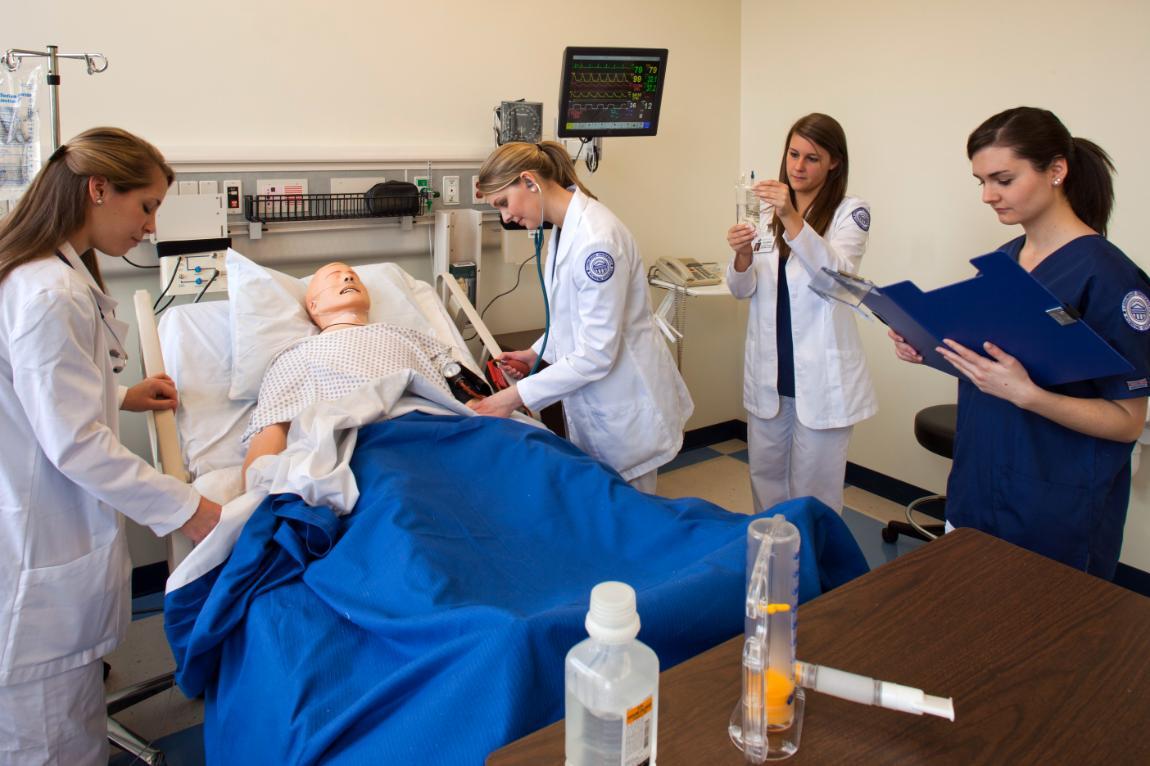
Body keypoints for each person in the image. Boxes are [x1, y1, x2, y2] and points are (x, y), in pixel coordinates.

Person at [0, 127, 221, 764]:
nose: (151, 226)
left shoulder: (42, 274)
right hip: (34, 555)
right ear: (98, 189)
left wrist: (120, 394)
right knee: (51, 740)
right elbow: (74, 444)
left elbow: (35, 388)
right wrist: (190, 508)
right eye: (146, 205)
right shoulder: (51, 292)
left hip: (33, 529)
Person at [889, 106, 1150, 579]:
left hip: (1054, 508)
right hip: (977, 487)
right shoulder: (1005, 261)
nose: (988, 195)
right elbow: (994, 366)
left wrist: (1029, 395)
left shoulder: (1109, 277)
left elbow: (1128, 423)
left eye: (1003, 180)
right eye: (981, 181)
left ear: (1056, 170)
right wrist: (928, 347)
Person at [470, 141, 693, 493]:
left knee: (629, 525)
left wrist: (515, 397)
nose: (505, 217)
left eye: (503, 203)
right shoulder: (563, 229)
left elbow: (596, 352)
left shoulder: (596, 242)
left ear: (529, 181)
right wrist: (536, 353)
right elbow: (571, 318)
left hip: (623, 408)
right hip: (600, 405)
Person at [725, 113, 877, 514]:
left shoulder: (851, 212)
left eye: (812, 158)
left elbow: (839, 280)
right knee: (766, 481)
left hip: (821, 376)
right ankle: (772, 563)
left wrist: (790, 216)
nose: (798, 166)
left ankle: (817, 571)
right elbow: (743, 290)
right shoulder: (762, 210)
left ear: (834, 162)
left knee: (815, 494)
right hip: (771, 373)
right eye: (793, 154)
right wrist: (741, 256)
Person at [241, 261, 462, 479]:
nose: (348, 278)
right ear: (314, 306)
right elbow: (273, 425)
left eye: (353, 276)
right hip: (366, 443)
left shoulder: (408, 336)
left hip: (442, 430)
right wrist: (255, 491)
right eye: (334, 277)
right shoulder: (297, 355)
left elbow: (457, 384)